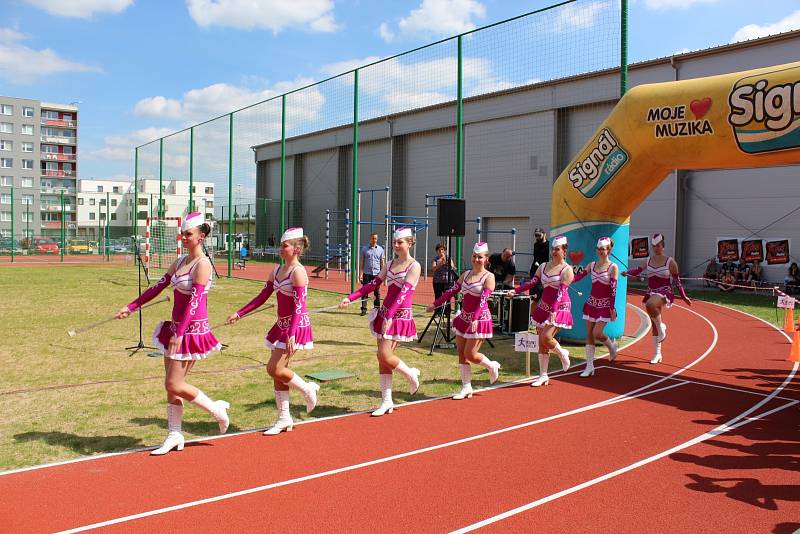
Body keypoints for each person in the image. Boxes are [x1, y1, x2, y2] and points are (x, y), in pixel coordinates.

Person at [116, 212, 229, 455]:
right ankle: (174, 434)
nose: (184, 237)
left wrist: (180, 332)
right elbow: (158, 287)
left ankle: (216, 410)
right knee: (171, 387)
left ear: (201, 236)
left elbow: (196, 301)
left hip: (191, 331)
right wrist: (132, 306)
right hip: (175, 328)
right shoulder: (179, 262)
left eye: (188, 234)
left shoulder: (204, 264)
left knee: (173, 383)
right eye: (183, 233)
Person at [226, 228, 319, 435]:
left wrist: (292, 333)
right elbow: (262, 296)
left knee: (274, 368)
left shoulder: (299, 272)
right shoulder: (276, 271)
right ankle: (284, 417)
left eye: (284, 246)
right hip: (281, 325)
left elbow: (298, 306)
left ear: (296, 249)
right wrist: (239, 313)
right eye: (280, 245)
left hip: (296, 326)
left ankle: (307, 388)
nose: (280, 249)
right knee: (278, 374)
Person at [340, 227, 422, 416]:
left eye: (399, 242)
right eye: (394, 242)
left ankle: (411, 374)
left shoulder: (414, 266)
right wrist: (350, 298)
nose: (396, 245)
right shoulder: (391, 263)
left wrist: (391, 316)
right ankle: (386, 401)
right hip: (385, 313)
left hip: (399, 315)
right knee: (382, 359)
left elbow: (404, 293)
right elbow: (373, 284)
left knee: (385, 354)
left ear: (409, 243)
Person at [427, 242, 502, 399]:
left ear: (486, 259)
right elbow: (452, 291)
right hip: (464, 318)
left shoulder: (489, 277)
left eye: (480, 257)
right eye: (474, 256)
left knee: (471, 354)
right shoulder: (466, 274)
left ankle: (491, 365)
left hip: (479, 319)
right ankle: (466, 387)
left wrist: (475, 318)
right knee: (461, 353)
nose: (476, 260)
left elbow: (483, 300)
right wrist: (436, 304)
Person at [508, 235, 573, 387]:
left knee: (546, 337)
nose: (554, 252)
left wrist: (554, 310)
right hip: (544, 306)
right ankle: (543, 375)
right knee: (541, 342)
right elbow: (532, 282)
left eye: (558, 249)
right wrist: (516, 290)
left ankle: (562, 353)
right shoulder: (543, 266)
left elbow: (561, 292)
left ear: (564, 251)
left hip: (560, 306)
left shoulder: (567, 270)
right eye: (553, 249)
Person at [622, 233, 692, 364]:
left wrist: (683, 296)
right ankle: (657, 353)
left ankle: (662, 327)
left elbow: (678, 282)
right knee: (654, 324)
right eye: (654, 246)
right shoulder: (648, 260)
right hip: (651, 291)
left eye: (658, 246)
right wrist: (627, 273)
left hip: (665, 292)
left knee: (650, 305)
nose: (656, 248)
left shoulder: (671, 262)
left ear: (663, 246)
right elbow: (637, 270)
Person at [571, 237, 619, 376]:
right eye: (598, 249)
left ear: (609, 250)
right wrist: (568, 279)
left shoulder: (613, 267)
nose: (600, 252)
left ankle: (611, 347)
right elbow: (579, 276)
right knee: (589, 334)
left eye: (603, 249)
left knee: (597, 333)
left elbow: (613, 289)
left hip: (605, 305)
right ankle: (590, 366)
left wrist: (612, 308)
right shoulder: (591, 265)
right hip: (592, 303)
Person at [359, 233, 386, 316]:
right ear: (370, 239)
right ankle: (363, 309)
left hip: (376, 275)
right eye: (372, 238)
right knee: (364, 291)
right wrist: (360, 274)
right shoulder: (364, 249)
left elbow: (382, 263)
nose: (374, 240)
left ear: (377, 239)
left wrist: (383, 274)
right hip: (367, 273)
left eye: (375, 238)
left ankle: (377, 309)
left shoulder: (381, 249)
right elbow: (362, 262)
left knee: (376, 292)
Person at [431, 242, 456, 317]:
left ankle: (447, 312)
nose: (441, 251)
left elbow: (452, 267)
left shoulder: (448, 258)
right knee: (438, 297)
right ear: (437, 251)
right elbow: (433, 269)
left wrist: (449, 264)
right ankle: (438, 312)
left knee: (447, 297)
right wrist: (441, 263)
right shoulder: (435, 259)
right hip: (437, 282)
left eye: (442, 250)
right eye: (439, 250)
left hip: (447, 281)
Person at [528, 228, 549, 300]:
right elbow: (535, 257)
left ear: (544, 235)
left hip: (545, 269)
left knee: (541, 289)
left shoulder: (548, 245)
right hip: (535, 269)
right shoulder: (536, 244)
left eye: (539, 235)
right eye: (536, 235)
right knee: (532, 289)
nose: (537, 237)